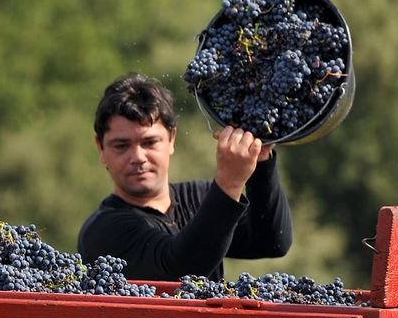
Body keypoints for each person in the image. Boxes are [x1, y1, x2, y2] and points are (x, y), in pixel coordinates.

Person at [77, 72, 293, 281]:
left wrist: (262, 160)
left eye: (149, 142)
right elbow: (177, 270)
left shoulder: (197, 198)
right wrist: (230, 183)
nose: (138, 157)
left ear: (171, 139)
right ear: (101, 148)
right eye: (121, 146)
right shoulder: (102, 231)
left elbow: (271, 242)